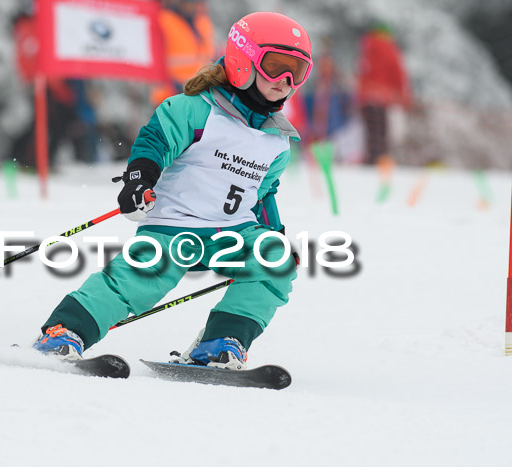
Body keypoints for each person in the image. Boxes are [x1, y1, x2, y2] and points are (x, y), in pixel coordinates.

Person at [33, 12, 313, 370]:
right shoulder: (196, 109)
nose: (285, 81)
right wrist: (139, 180)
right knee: (138, 281)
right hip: (175, 225)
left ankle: (218, 344)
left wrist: (275, 234)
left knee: (275, 263)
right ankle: (63, 331)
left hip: (234, 231)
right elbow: (156, 141)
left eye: (297, 71)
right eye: (275, 66)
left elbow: (263, 193)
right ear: (244, 60)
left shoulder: (278, 140)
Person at [356, 23, 411, 165]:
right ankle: (379, 161)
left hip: (367, 97)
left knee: (371, 132)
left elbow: (362, 74)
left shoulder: (367, 49)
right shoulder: (389, 49)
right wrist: (405, 98)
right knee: (381, 132)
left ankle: (372, 159)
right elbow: (398, 74)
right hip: (382, 96)